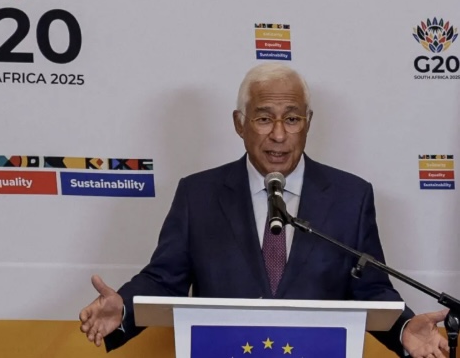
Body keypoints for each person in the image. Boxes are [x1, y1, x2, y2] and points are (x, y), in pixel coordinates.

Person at [79, 63, 448, 358]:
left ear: (308, 123)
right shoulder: (199, 195)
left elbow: (371, 288)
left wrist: (405, 328)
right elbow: (163, 279)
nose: (279, 134)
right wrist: (123, 308)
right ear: (240, 123)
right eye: (264, 118)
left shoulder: (351, 197)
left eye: (292, 119)